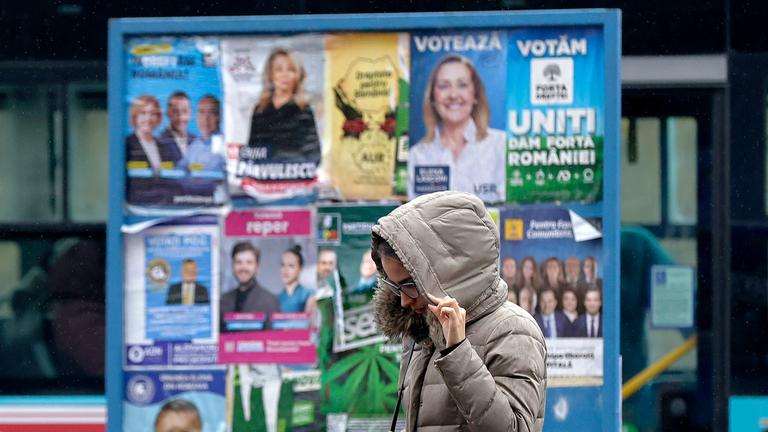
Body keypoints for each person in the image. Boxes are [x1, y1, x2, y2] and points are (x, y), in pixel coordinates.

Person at [371, 191, 546, 431]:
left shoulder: (513, 329)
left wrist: (457, 351)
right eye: (394, 285)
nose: (403, 301)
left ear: (447, 274)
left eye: (410, 285)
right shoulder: (422, 329)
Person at [408, 54, 506, 203]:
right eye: (444, 86)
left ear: (475, 95)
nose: (453, 94)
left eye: (462, 85)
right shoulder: (417, 156)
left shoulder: (500, 145)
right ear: (433, 98)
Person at [246, 47, 321, 164]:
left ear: (297, 76)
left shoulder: (303, 110)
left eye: (290, 70)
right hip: (264, 178)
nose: (284, 75)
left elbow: (314, 155)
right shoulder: (260, 109)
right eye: (279, 69)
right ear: (271, 74)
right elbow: (251, 151)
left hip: (294, 177)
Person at [220, 242, 280, 331]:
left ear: (257, 268)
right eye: (238, 262)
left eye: (249, 262)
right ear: (232, 266)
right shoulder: (223, 301)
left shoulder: (270, 302)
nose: (243, 267)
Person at [125, 95, 175, 175]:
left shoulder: (164, 147)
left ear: (158, 117)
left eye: (153, 113)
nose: (148, 118)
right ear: (135, 116)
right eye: (143, 113)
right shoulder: (126, 145)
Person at [178, 95, 226, 173]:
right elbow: (181, 166)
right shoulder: (195, 144)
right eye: (201, 112)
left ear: (219, 117)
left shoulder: (223, 143)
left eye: (211, 113)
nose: (206, 118)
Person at [278, 245, 316, 314]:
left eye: (291, 266)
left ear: (300, 269)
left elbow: (311, 322)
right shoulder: (278, 299)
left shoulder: (309, 295)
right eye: (283, 265)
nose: (285, 270)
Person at [158, 91, 195, 161]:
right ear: (168, 113)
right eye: (175, 111)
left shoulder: (196, 141)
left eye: (184, 111)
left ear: (190, 113)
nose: (180, 117)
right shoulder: (160, 142)